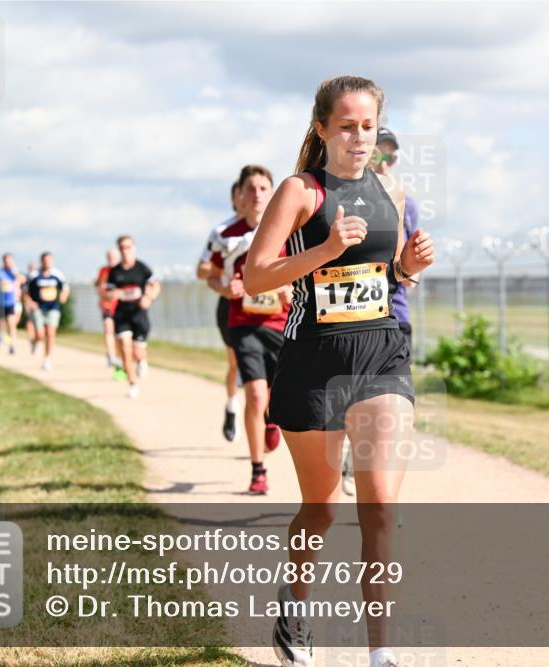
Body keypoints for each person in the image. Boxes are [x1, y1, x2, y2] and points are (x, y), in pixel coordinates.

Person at [244, 76, 435, 667]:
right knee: (321, 507)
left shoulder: (392, 189)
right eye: (347, 126)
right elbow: (256, 277)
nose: (359, 137)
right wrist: (324, 251)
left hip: (381, 352)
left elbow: (391, 279)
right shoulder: (300, 192)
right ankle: (295, 603)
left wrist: (408, 265)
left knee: (379, 506)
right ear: (323, 127)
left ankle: (381, 654)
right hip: (313, 361)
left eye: (368, 126)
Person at [341, 126, 420, 496]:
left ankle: (386, 497)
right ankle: (350, 458)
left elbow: (408, 264)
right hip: (349, 320)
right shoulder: (342, 196)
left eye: (390, 154)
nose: (384, 160)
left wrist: (411, 268)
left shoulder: (405, 199)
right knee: (354, 403)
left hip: (394, 316)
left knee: (393, 409)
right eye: (378, 152)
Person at [206, 165, 290, 495]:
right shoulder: (227, 236)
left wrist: (289, 288)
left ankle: (272, 420)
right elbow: (212, 275)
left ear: (273, 194)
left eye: (263, 187)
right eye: (251, 188)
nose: (257, 194)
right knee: (255, 393)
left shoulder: (286, 232)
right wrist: (226, 289)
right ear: (241, 196)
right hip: (244, 325)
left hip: (281, 324)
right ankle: (258, 470)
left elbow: (302, 272)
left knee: (278, 397)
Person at [197, 180, 244, 441]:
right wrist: (225, 277)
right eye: (243, 192)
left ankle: (267, 416)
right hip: (231, 302)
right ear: (235, 198)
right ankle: (232, 405)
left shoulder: (271, 224)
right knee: (236, 362)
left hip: (269, 304)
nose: (250, 198)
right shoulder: (222, 231)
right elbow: (202, 269)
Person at [105, 235, 161, 398]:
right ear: (119, 249)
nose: (125, 250)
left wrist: (149, 297)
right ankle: (132, 383)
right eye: (122, 247)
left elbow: (155, 285)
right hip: (122, 314)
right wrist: (113, 294)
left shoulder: (142, 268)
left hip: (139, 315)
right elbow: (108, 293)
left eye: (128, 247)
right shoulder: (115, 272)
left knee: (138, 352)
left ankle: (142, 361)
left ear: (134, 248)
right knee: (124, 347)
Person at [25, 252, 69, 370]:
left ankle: (47, 359)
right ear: (41, 261)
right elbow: (25, 291)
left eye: (49, 260)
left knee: (50, 333)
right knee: (40, 334)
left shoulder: (57, 274)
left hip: (53, 308)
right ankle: (35, 341)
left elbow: (65, 288)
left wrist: (63, 296)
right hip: (38, 307)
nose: (47, 262)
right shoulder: (34, 275)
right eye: (45, 260)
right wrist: (30, 302)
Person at [0, 253, 24, 354]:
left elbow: (23, 279)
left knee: (12, 324)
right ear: (3, 261)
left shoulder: (14, 272)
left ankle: (12, 345)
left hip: (10, 302)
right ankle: (0, 336)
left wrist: (15, 272)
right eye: (6, 261)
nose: (8, 263)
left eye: (10, 261)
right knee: (1, 323)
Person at [95, 248, 122, 372]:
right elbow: (99, 287)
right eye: (109, 257)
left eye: (114, 257)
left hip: (122, 307)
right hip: (107, 305)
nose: (111, 259)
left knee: (119, 334)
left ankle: (119, 355)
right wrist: (102, 298)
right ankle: (111, 356)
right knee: (108, 328)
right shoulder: (104, 271)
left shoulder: (124, 271)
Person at [23, 262, 39, 353]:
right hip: (29, 303)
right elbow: (24, 292)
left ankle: (35, 340)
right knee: (30, 321)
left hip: (39, 304)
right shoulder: (27, 279)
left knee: (38, 323)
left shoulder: (39, 277)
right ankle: (32, 338)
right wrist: (29, 302)